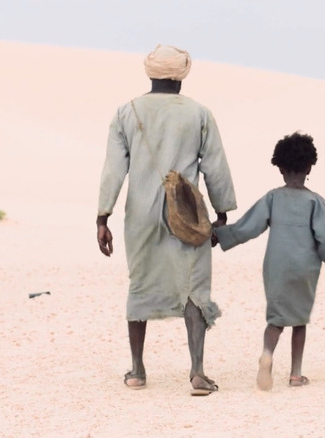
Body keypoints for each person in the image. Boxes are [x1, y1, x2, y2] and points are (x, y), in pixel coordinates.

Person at [96, 44, 237, 396]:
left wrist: (103, 216)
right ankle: (198, 373)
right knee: (194, 287)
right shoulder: (199, 114)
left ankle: (137, 370)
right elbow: (215, 166)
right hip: (187, 215)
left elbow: (114, 169)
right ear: (182, 74)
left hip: (140, 214)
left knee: (140, 281)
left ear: (150, 73)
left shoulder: (126, 112)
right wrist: (221, 214)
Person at [211, 132, 325, 390]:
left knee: (276, 318)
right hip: (305, 268)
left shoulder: (272, 198)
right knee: (300, 319)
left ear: (280, 168)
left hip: (276, 267)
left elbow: (248, 227)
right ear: (309, 167)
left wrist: (219, 235)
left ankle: (267, 354)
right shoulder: (316, 202)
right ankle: (295, 375)